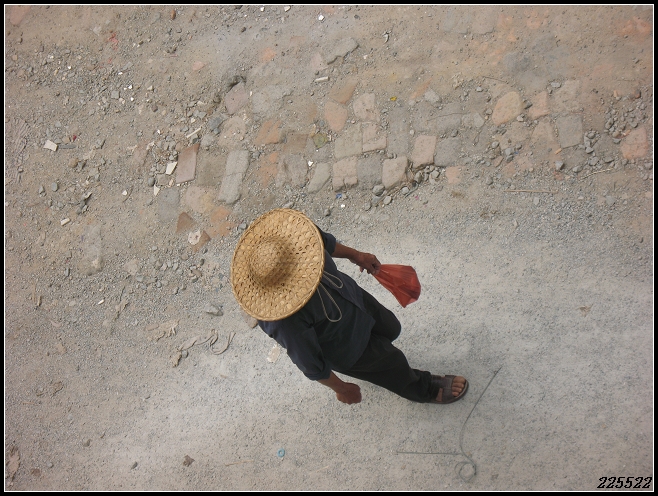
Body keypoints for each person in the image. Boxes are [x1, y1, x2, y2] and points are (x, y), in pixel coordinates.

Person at [230, 208, 468, 405]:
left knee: (391, 328)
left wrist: (356, 255)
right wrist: (341, 388)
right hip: (345, 345)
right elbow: (310, 363)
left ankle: (380, 365)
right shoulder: (283, 320)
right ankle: (423, 389)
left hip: (354, 300)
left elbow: (324, 241)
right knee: (393, 363)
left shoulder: (293, 237)